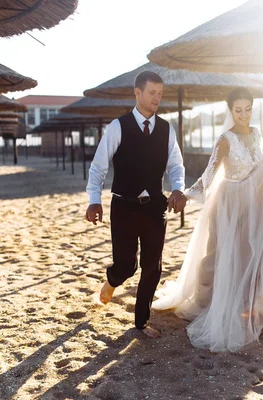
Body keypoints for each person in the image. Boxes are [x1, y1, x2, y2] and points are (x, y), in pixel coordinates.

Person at [152, 88, 263, 352]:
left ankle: (254, 306)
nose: (243, 115)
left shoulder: (256, 133)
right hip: (229, 203)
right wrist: (186, 195)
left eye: (247, 109)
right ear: (230, 111)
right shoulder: (225, 139)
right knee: (222, 255)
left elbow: (258, 168)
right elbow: (208, 175)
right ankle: (213, 302)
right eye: (238, 110)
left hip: (254, 200)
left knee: (253, 253)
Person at [85, 70, 188, 338]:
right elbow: (98, 167)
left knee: (153, 267)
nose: (157, 98)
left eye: (160, 94)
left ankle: (141, 321)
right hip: (124, 206)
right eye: (152, 93)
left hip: (155, 206)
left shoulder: (166, 129)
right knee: (125, 267)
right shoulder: (118, 127)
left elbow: (176, 165)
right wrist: (94, 201)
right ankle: (112, 280)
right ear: (138, 93)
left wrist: (177, 189)